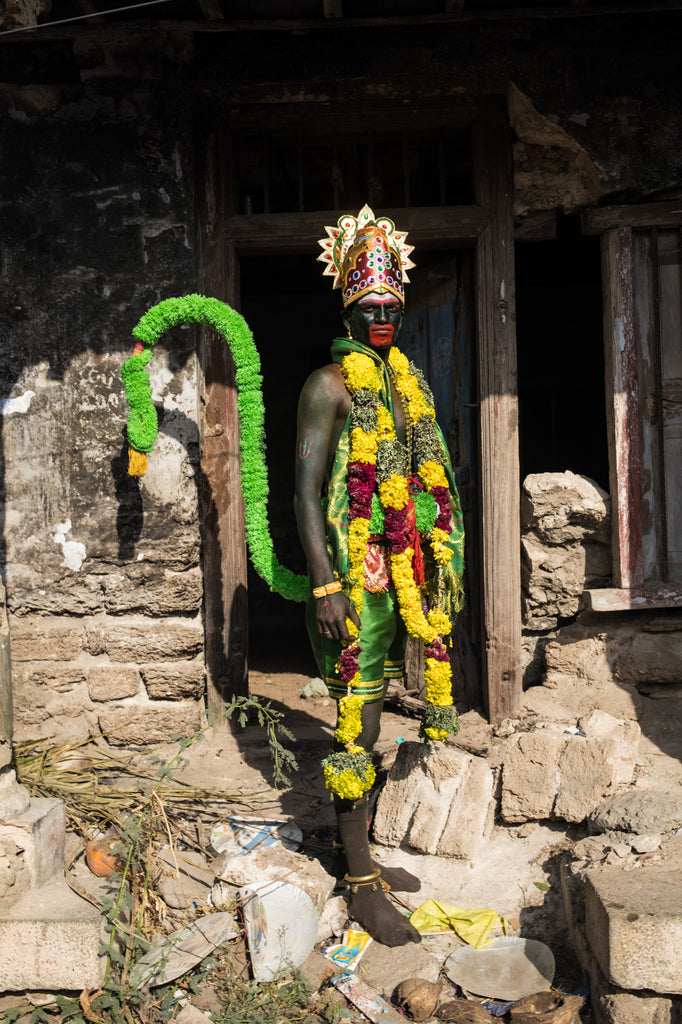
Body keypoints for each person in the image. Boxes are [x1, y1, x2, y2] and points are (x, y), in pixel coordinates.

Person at [294, 205, 464, 946]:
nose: (384, 317)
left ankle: (356, 850)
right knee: (355, 723)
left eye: (393, 305)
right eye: (370, 307)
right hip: (350, 583)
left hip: (398, 579)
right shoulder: (328, 385)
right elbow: (304, 493)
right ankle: (360, 884)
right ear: (348, 311)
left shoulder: (405, 385)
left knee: (379, 716)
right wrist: (326, 584)